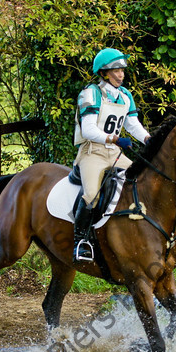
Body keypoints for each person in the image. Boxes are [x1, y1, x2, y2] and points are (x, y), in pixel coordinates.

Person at [73, 47, 151, 262]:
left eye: (122, 70)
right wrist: (114, 138)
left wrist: (147, 139)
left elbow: (133, 125)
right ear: (104, 72)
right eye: (115, 70)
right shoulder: (90, 93)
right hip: (93, 153)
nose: (120, 74)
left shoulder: (125, 96)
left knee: (141, 183)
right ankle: (81, 241)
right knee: (91, 195)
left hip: (115, 154)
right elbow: (88, 129)